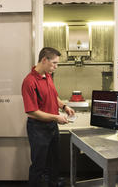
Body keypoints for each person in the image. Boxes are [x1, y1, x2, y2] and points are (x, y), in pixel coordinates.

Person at [21, 47, 75, 187]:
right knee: (39, 165)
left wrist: (64, 107)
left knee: (54, 161)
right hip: (38, 128)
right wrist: (56, 117)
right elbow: (32, 111)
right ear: (44, 60)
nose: (56, 67)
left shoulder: (48, 75)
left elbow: (54, 96)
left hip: (51, 126)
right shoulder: (29, 81)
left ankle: (53, 183)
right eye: (54, 63)